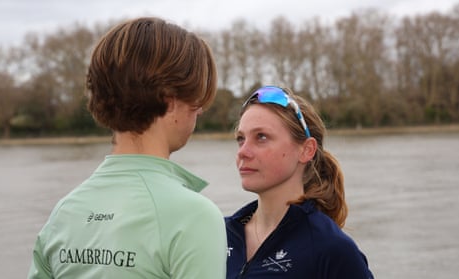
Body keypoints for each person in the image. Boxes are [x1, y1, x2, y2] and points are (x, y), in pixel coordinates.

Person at [27, 17, 227, 279]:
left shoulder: (64, 212)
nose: (200, 110)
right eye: (197, 99)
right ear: (169, 102)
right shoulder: (195, 217)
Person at [225, 85, 373, 278]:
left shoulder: (331, 249)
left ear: (306, 150)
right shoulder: (220, 235)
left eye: (261, 137)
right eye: (241, 139)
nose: (242, 152)